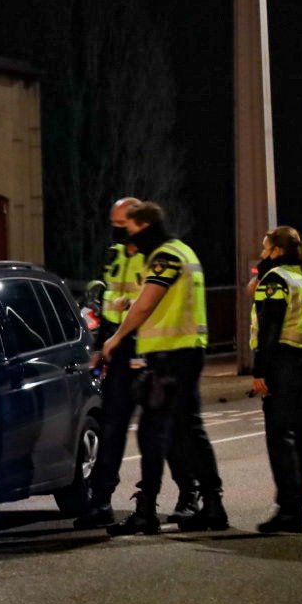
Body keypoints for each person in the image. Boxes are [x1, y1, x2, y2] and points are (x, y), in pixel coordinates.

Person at [100, 202, 226, 534]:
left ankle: (146, 511)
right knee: (187, 431)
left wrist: (116, 337)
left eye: (131, 230)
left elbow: (147, 303)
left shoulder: (166, 256)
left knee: (153, 432)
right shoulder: (184, 251)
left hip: (172, 356)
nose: (129, 238)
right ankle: (212, 504)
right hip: (184, 352)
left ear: (143, 226)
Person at [78, 197, 202, 529]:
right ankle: (101, 499)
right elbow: (107, 304)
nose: (118, 231)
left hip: (151, 346)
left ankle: (189, 495)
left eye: (123, 225)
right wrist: (101, 343)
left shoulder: (157, 255)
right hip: (119, 348)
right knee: (113, 425)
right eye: (115, 224)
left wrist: (123, 318)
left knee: (164, 429)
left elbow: (149, 302)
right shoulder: (116, 256)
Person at [250, 226, 302, 533]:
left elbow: (270, 329)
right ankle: (297, 506)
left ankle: (289, 510)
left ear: (277, 251)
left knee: (281, 438)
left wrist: (260, 370)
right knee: (301, 438)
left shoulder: (277, 279)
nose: (262, 253)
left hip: (285, 363)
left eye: (265, 248)